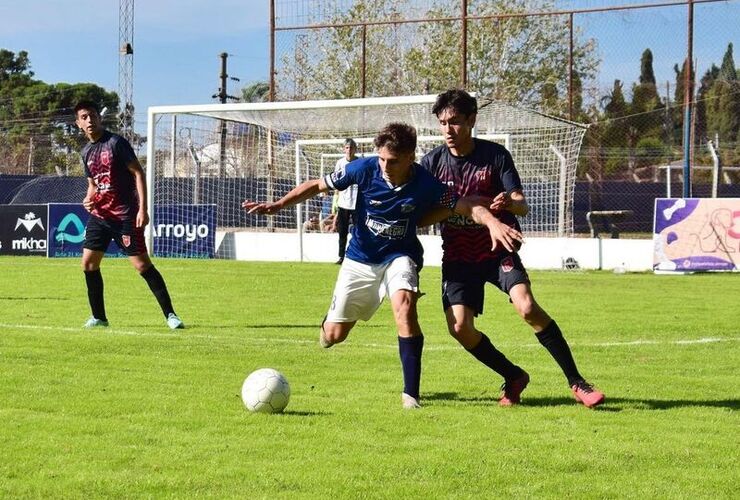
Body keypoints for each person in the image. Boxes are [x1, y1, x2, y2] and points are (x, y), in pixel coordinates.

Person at [243, 122, 505, 409]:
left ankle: (411, 395)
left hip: (400, 256)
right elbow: (317, 185)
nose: (384, 165)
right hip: (360, 260)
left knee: (405, 307)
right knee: (334, 336)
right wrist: (278, 205)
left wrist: (491, 221)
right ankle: (331, 324)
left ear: (410, 157)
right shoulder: (363, 169)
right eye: (381, 158)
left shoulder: (426, 183)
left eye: (392, 161)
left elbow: (464, 206)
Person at [420, 89, 604, 408]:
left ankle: (578, 383)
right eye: (443, 123)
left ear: (472, 120)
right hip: (458, 259)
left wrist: (508, 203)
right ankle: (513, 375)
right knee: (460, 328)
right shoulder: (432, 163)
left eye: (456, 122)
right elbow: (422, 217)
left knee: (527, 307)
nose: (449, 130)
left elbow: (522, 206)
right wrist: (459, 208)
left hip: (497, 251)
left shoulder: (494, 156)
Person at [74, 100, 184, 330]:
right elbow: (93, 185)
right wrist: (88, 199)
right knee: (88, 263)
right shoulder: (86, 152)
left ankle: (171, 315)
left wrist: (143, 209)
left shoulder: (116, 143)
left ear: (99, 118)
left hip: (124, 215)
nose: (89, 120)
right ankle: (99, 318)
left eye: (92, 115)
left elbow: (138, 173)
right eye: (84, 117)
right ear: (78, 123)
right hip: (100, 215)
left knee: (142, 266)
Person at [332, 138, 359, 264]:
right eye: (347, 148)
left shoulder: (360, 162)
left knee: (358, 231)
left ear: (355, 149)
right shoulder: (340, 163)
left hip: (357, 204)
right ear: (344, 149)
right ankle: (341, 256)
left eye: (351, 148)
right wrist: (335, 201)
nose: (349, 150)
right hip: (343, 203)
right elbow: (336, 183)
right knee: (342, 231)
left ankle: (357, 256)